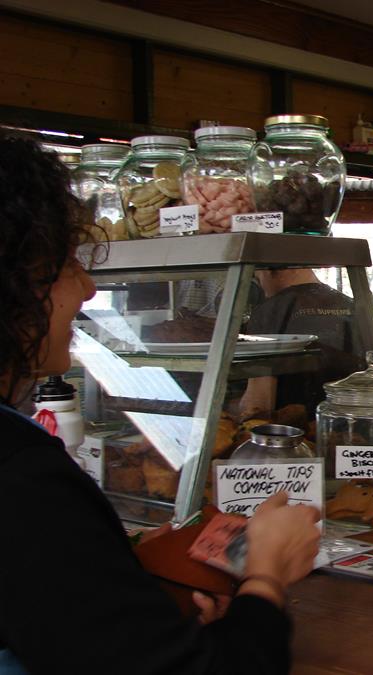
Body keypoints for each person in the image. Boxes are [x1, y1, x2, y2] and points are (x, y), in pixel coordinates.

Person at [0, 131, 321, 675]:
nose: (86, 290)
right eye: (63, 265)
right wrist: (265, 574)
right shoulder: (19, 477)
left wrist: (137, 588)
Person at [239, 267, 366, 419]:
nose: (262, 287)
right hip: (350, 427)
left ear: (270, 270)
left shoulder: (269, 312)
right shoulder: (353, 306)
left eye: (258, 277)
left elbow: (259, 405)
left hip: (293, 433)